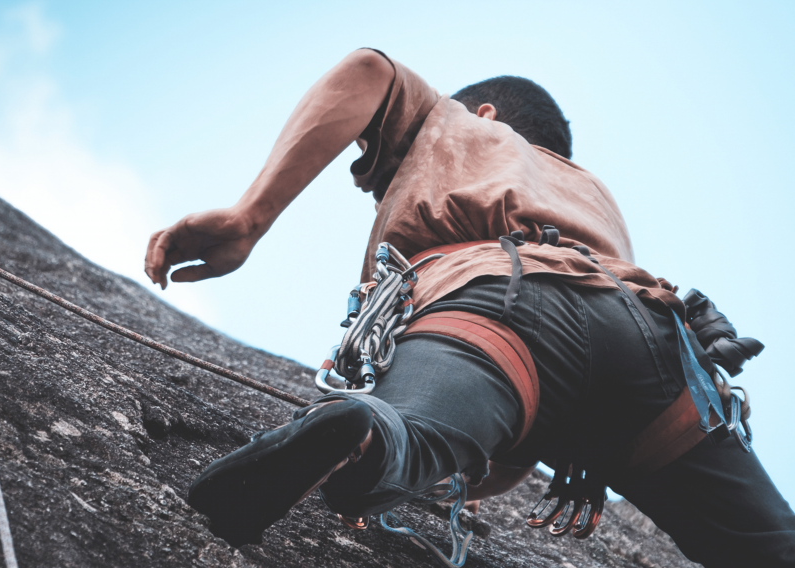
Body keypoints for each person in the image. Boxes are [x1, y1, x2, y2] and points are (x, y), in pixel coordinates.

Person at [143, 49, 795, 567]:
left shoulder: (461, 129)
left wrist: (249, 217)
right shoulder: (592, 197)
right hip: (647, 340)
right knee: (768, 546)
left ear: (481, 112)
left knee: (399, 433)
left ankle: (369, 444)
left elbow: (369, 71)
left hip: (495, 305)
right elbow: (511, 438)